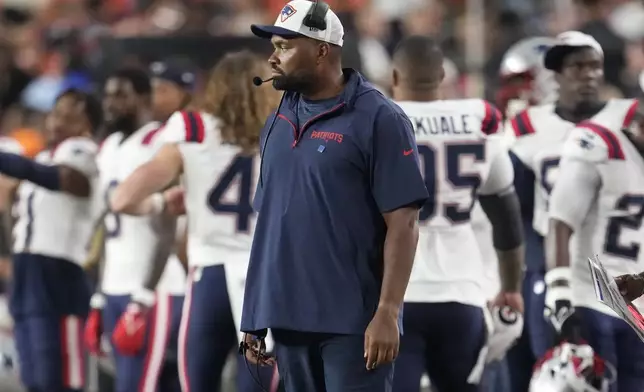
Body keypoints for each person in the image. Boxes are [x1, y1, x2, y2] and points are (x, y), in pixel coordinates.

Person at [243, 1, 428, 390]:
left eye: (285, 47)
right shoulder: (277, 119)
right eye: (275, 46)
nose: (274, 58)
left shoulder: (380, 118)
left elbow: (405, 223)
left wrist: (388, 312)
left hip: (353, 324)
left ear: (322, 49)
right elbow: (272, 222)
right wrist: (255, 314)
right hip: (289, 319)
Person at [109, 51, 281, 392]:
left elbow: (123, 198)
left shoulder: (193, 128)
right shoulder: (284, 130)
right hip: (266, 279)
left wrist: (163, 200)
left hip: (209, 278)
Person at [388, 35, 525, 392]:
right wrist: (510, 287)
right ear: (442, 75)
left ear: (395, 76)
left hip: (395, 294)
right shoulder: (479, 119)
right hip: (463, 291)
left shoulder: (378, 120)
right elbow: (507, 219)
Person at [504, 30, 631, 391]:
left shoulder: (628, 121)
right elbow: (517, 211)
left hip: (625, 270)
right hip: (559, 274)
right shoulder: (527, 128)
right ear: (556, 73)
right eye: (577, 66)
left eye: (595, 66)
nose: (588, 75)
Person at [544, 34, 644, 391]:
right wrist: (558, 291)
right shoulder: (598, 143)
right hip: (593, 297)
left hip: (638, 311)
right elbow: (561, 219)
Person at [83, 68, 184, 392]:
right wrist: (99, 295)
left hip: (155, 287)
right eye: (108, 95)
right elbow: (104, 226)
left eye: (120, 95)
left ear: (143, 98)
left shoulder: (162, 142)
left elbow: (171, 222)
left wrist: (143, 295)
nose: (110, 104)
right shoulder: (109, 145)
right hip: (114, 283)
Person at [0, 88, 102, 392]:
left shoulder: (84, 152)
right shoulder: (45, 157)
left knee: (58, 378)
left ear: (87, 125)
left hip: (58, 273)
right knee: (32, 376)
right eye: (57, 112)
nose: (59, 120)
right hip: (26, 269)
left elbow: (63, 179)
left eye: (70, 114)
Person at [496, 36, 561, 392]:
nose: (513, 94)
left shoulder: (571, 135)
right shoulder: (515, 132)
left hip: (549, 267)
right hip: (513, 273)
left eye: (522, 82)